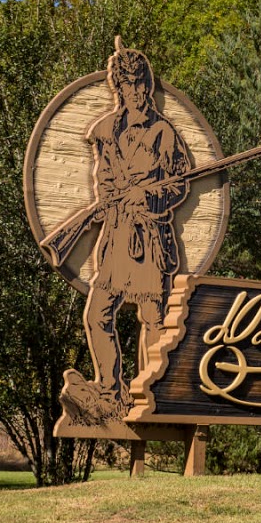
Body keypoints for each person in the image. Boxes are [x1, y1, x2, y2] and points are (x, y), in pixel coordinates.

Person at [80, 38, 191, 410]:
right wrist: (107, 199)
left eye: (142, 83)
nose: (137, 92)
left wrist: (148, 197)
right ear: (119, 88)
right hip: (115, 234)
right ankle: (110, 391)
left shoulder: (164, 133)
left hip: (148, 235)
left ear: (148, 84)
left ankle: (148, 395)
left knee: (152, 319)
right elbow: (104, 178)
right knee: (97, 315)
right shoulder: (106, 130)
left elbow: (178, 186)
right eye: (128, 85)